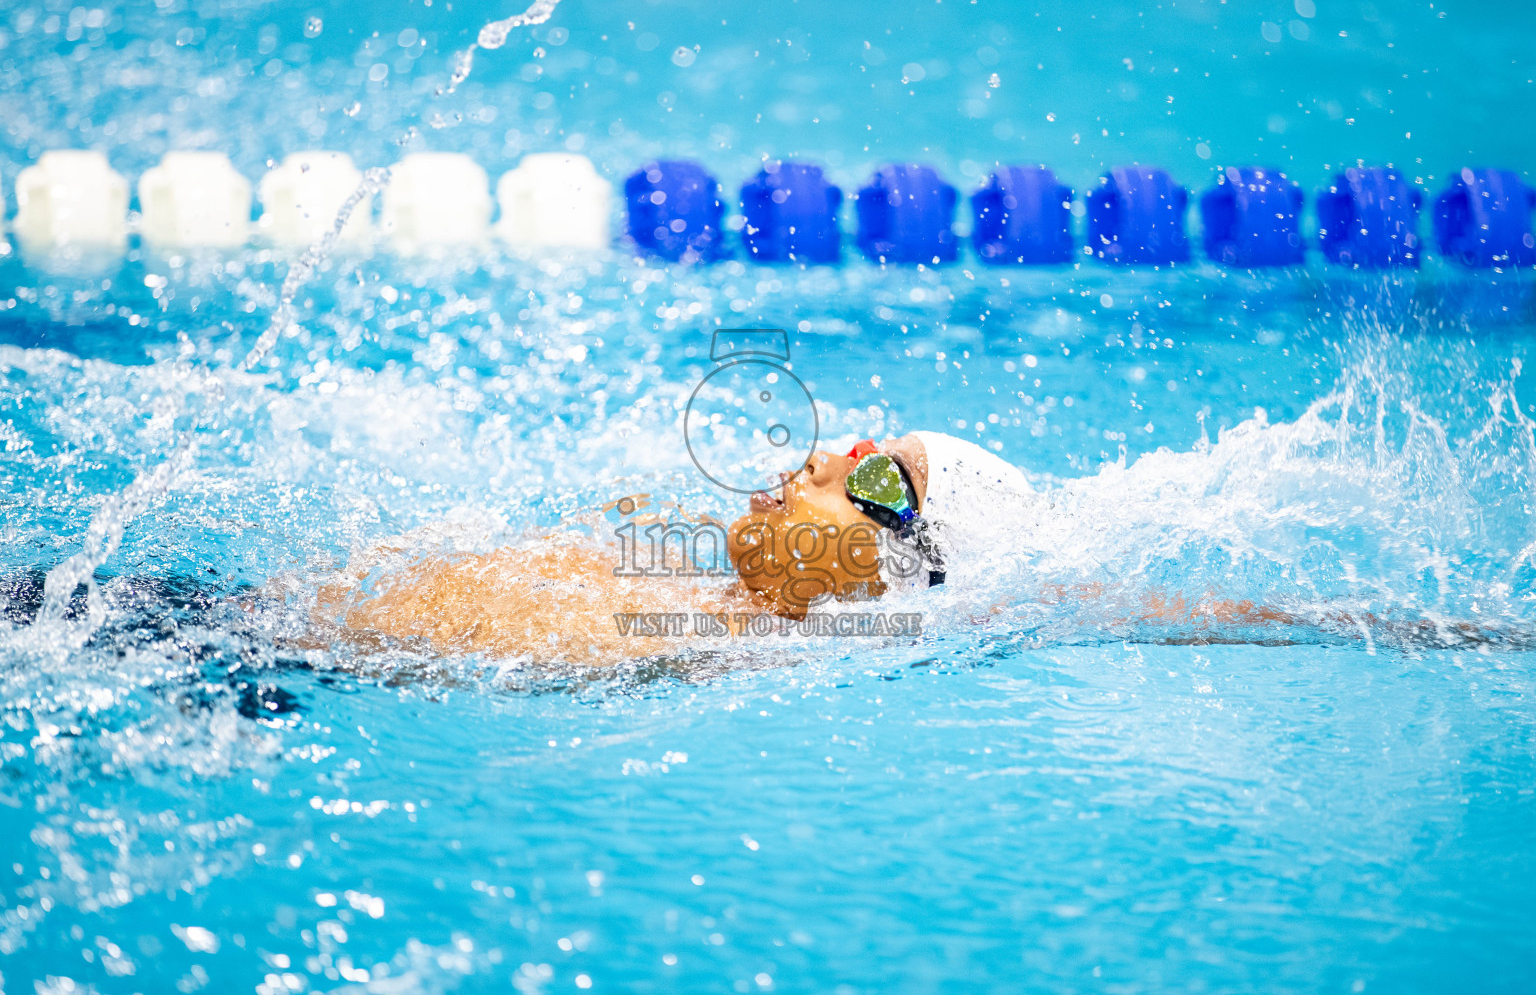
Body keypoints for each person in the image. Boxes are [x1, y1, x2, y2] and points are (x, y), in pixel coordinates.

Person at [304, 430, 1357, 665]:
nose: (813, 458)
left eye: (869, 479)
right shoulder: (658, 577)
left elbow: (1093, 604)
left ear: (894, 567)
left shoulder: (705, 645)